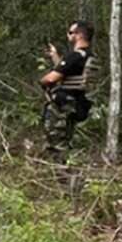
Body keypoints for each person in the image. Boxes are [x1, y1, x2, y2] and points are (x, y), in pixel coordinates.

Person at [39, 20, 97, 155]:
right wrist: (55, 56)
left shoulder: (75, 55)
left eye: (70, 32)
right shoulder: (89, 55)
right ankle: (65, 169)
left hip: (64, 104)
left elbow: (51, 78)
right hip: (78, 103)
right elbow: (69, 72)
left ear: (79, 35)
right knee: (65, 138)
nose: (68, 35)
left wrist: (43, 81)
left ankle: (61, 172)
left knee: (55, 143)